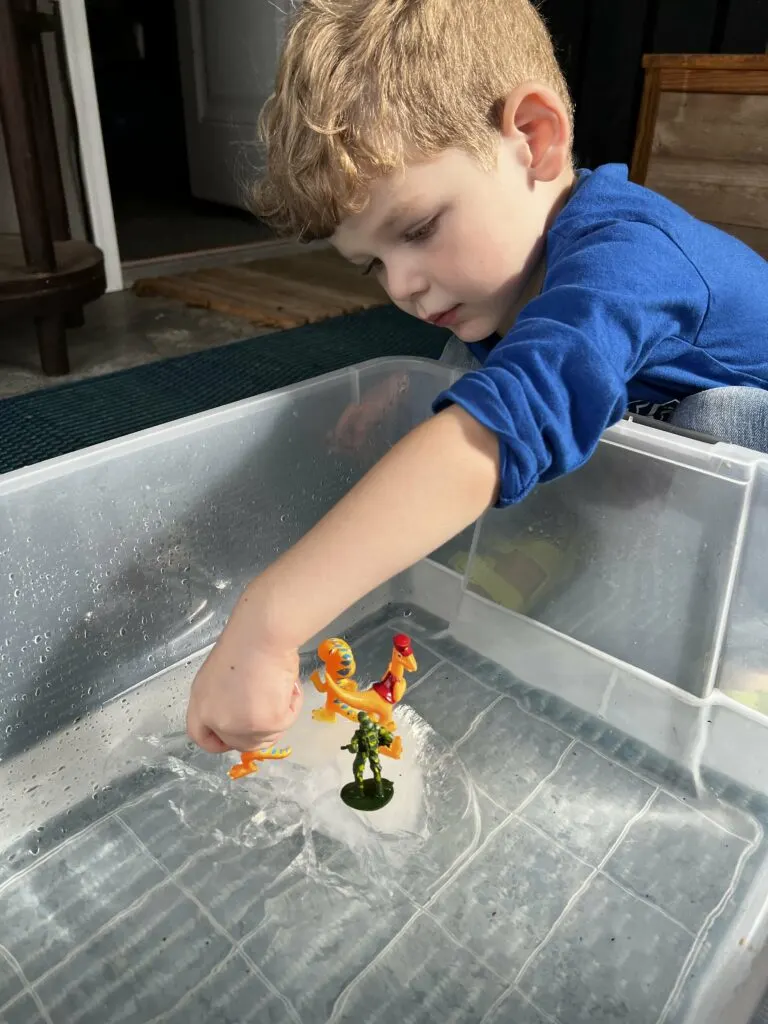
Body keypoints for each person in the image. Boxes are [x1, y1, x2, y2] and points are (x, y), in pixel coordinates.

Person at [186, 0, 768, 755]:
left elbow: (505, 418)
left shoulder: (630, 259)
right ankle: (552, 546)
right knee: (480, 355)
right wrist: (413, 397)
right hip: (650, 471)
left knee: (717, 421)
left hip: (744, 464)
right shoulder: (508, 272)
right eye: (372, 265)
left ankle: (753, 643)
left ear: (535, 138)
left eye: (419, 230)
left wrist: (268, 621)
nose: (400, 287)